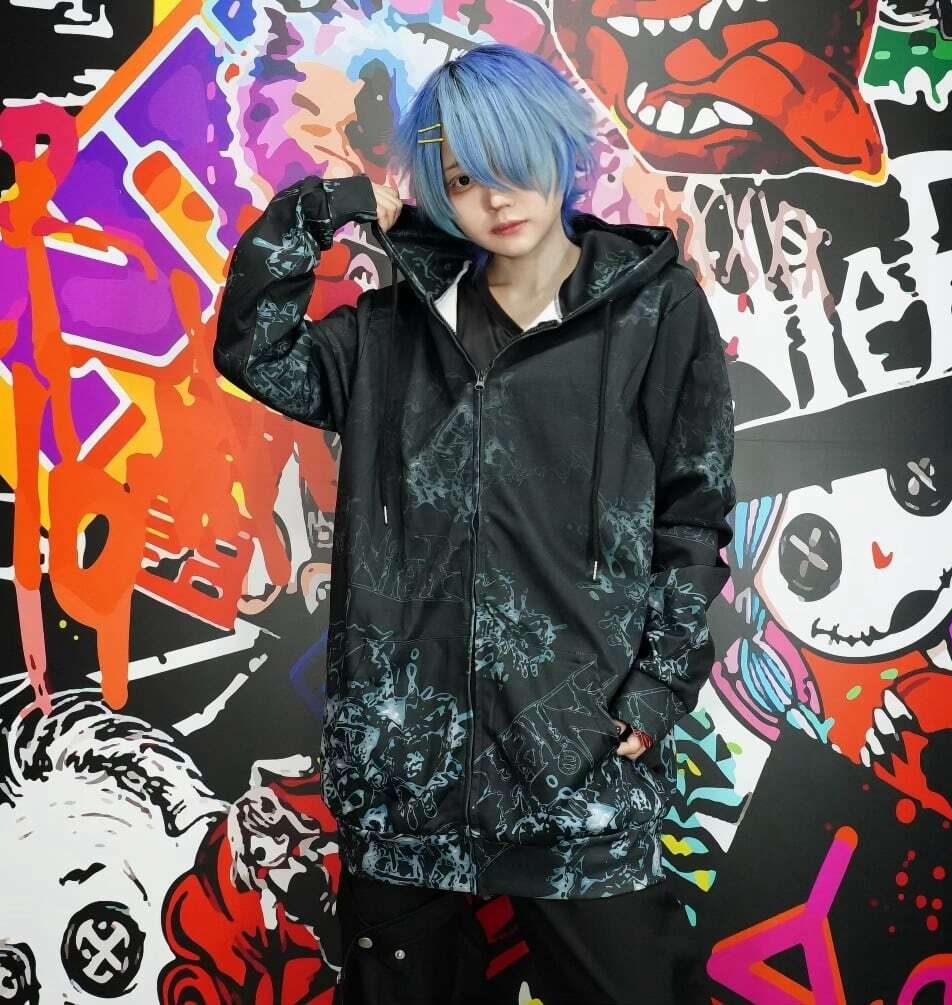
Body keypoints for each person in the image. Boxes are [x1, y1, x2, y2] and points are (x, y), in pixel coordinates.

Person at [214, 41, 736, 1005]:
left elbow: (693, 511)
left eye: (511, 162)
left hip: (572, 762)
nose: (495, 197)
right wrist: (330, 207)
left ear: (558, 150)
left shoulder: (654, 313)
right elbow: (257, 350)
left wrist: (656, 687)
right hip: (404, 777)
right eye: (461, 178)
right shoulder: (388, 331)